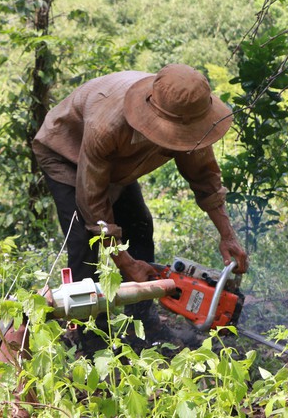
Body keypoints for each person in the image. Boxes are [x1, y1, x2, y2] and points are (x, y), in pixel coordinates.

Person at [32, 64, 248, 351]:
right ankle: (92, 339)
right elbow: (93, 204)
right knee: (87, 245)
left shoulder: (190, 117)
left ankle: (143, 325)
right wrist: (125, 261)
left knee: (140, 228)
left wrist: (227, 235)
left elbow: (204, 178)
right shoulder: (107, 125)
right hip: (67, 156)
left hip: (118, 167)